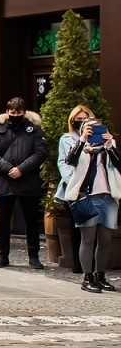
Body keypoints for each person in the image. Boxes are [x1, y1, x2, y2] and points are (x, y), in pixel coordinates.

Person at [60, 112, 121, 293]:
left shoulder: (109, 146)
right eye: (89, 128)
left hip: (108, 197)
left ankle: (100, 275)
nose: (94, 131)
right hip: (88, 197)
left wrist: (109, 144)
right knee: (88, 239)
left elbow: (119, 165)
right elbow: (69, 161)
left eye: (97, 128)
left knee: (105, 240)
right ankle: (87, 277)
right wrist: (83, 140)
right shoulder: (80, 146)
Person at [0, 97, 47, 269]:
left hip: (28, 180)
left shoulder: (34, 130)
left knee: (31, 220)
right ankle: (2, 256)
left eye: (18, 113)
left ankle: (34, 256)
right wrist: (8, 168)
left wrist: (21, 169)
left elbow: (40, 153)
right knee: (3, 220)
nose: (15, 116)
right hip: (5, 181)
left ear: (24, 113)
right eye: (12, 113)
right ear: (7, 112)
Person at [57, 106, 99, 283]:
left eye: (85, 118)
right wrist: (73, 181)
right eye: (79, 118)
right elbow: (64, 162)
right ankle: (78, 263)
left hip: (96, 188)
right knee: (78, 227)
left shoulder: (98, 139)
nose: (82, 121)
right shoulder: (67, 139)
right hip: (75, 188)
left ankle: (95, 269)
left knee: (96, 230)